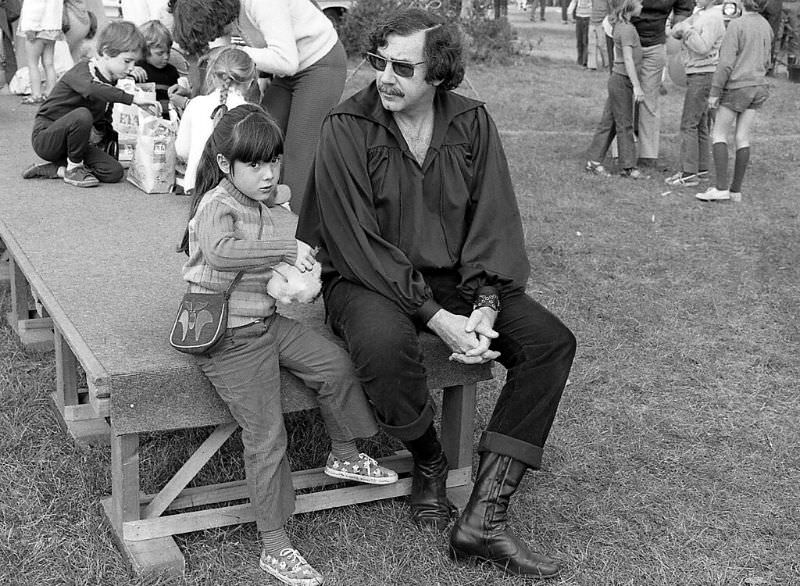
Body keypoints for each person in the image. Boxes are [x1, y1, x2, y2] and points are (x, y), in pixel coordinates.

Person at [298, 9, 576, 579]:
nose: (384, 77)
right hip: (364, 275)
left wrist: (484, 304)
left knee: (550, 342)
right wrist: (438, 319)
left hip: (456, 275)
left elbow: (492, 218)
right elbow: (355, 240)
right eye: (379, 62)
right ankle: (429, 460)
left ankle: (483, 518)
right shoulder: (347, 125)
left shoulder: (471, 122)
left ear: (440, 74)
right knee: (380, 341)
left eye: (403, 67)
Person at [180, 103, 397, 586]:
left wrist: (283, 200)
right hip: (228, 335)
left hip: (267, 323)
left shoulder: (262, 196)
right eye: (253, 164)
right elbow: (219, 251)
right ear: (223, 165)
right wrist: (285, 248)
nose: (267, 173)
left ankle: (342, 452)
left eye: (273, 161)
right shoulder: (216, 205)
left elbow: (281, 192)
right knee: (267, 436)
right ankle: (275, 546)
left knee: (335, 365)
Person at [167, 0, 347, 213]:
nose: (220, 32)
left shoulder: (262, 2)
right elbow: (221, 52)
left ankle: (298, 227)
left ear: (215, 10)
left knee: (298, 156)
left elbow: (286, 61)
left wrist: (234, 50)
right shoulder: (224, 8)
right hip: (287, 72)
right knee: (260, 139)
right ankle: (261, 211)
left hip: (319, 62)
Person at [20, 20, 154, 187]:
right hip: (47, 138)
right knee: (82, 114)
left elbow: (103, 118)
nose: (131, 68)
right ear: (105, 52)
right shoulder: (83, 71)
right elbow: (92, 89)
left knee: (114, 171)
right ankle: (74, 168)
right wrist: (132, 99)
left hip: (77, 141)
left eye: (134, 62)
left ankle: (57, 169)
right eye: (127, 61)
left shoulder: (110, 83)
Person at [696, 0, 773, 202]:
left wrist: (714, 91)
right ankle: (735, 191)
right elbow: (768, 60)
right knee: (742, 137)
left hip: (738, 87)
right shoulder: (766, 25)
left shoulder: (737, 25)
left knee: (719, 134)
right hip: (759, 86)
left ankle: (721, 188)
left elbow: (725, 64)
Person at [174, 46, 256, 194]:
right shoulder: (250, 111)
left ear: (212, 76)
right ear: (250, 82)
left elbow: (182, 150)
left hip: (197, 184)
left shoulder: (195, 103)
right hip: (236, 188)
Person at [664, 0, 725, 188]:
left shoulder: (713, 17)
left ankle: (689, 173)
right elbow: (675, 30)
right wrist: (683, 29)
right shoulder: (700, 14)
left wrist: (688, 32)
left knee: (689, 123)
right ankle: (701, 169)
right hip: (696, 72)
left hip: (703, 74)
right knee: (699, 123)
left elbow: (703, 47)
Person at [585, 0, 647, 178]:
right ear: (628, 6)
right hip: (622, 81)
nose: (642, 6)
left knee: (608, 123)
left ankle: (593, 162)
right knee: (625, 124)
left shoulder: (624, 25)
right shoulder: (626, 29)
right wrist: (637, 86)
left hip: (618, 80)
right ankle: (628, 167)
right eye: (639, 3)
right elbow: (627, 59)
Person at [631, 0, 693, 168]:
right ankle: (622, 154)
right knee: (623, 98)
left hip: (655, 42)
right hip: (627, 38)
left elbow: (683, 8)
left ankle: (648, 156)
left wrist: (678, 27)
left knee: (650, 99)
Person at [130, 19, 188, 118]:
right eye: (160, 53)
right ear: (144, 50)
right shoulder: (137, 69)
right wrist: (131, 71)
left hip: (166, 122)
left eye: (168, 52)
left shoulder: (172, 72)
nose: (166, 57)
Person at [17, 0, 63, 104]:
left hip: (36, 29)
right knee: (49, 64)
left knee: (32, 64)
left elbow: (36, 7)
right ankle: (50, 93)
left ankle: (36, 94)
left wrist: (31, 28)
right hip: (53, 28)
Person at [569, 0, 594, 66]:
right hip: (579, 17)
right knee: (579, 40)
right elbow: (574, 2)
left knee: (586, 40)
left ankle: (585, 61)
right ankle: (580, 60)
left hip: (588, 17)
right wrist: (569, 13)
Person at [589, 0, 612, 70]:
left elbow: (610, 7)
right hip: (592, 21)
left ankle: (607, 64)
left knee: (602, 45)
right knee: (591, 45)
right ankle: (591, 66)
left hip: (602, 22)